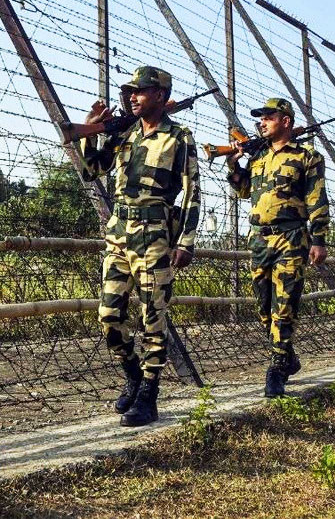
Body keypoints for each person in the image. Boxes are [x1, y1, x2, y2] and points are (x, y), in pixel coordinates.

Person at [78, 66, 201, 427]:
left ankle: (149, 393)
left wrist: (187, 241)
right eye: (130, 91)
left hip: (155, 235)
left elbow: (192, 190)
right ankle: (132, 374)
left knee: (152, 317)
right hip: (118, 234)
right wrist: (91, 131)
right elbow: (91, 170)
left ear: (160, 97)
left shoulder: (179, 136)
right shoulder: (126, 133)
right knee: (109, 317)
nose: (133, 96)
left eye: (141, 91)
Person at [226, 98, 329, 398]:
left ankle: (277, 368)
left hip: (291, 238)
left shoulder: (306, 157)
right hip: (259, 239)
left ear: (285, 120)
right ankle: (288, 355)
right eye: (260, 118)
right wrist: (234, 166)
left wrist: (319, 240)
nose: (262, 122)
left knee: (284, 307)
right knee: (264, 307)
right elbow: (244, 190)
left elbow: (317, 199)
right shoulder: (257, 157)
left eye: (268, 117)